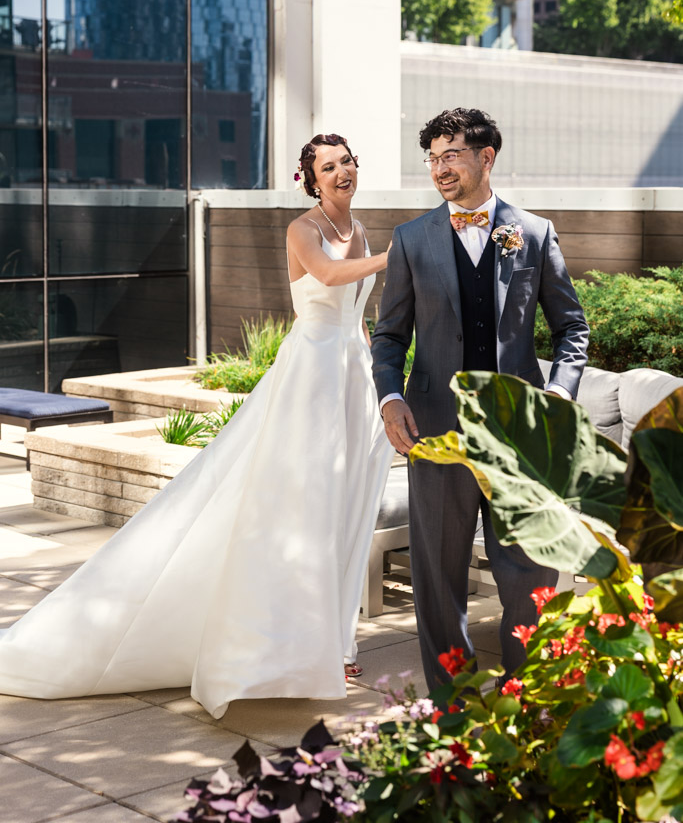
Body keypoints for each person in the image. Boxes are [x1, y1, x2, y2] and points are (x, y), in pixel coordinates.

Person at [0, 134, 394, 719]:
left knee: (343, 506)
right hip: (309, 377)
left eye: (346, 162)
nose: (341, 172)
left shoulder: (359, 229)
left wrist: (376, 376)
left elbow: (361, 314)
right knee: (298, 504)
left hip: (351, 378)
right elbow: (330, 280)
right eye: (328, 166)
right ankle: (280, 645)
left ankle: (336, 641)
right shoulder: (302, 230)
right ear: (311, 179)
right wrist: (399, 254)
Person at [371, 108, 589, 691]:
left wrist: (557, 394)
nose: (440, 169)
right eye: (433, 158)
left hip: (519, 432)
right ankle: (452, 705)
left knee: (529, 571)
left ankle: (529, 698)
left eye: (451, 155)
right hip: (435, 429)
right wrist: (390, 397)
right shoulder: (411, 239)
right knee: (438, 575)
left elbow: (573, 327)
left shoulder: (534, 233)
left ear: (485, 157)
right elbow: (389, 335)